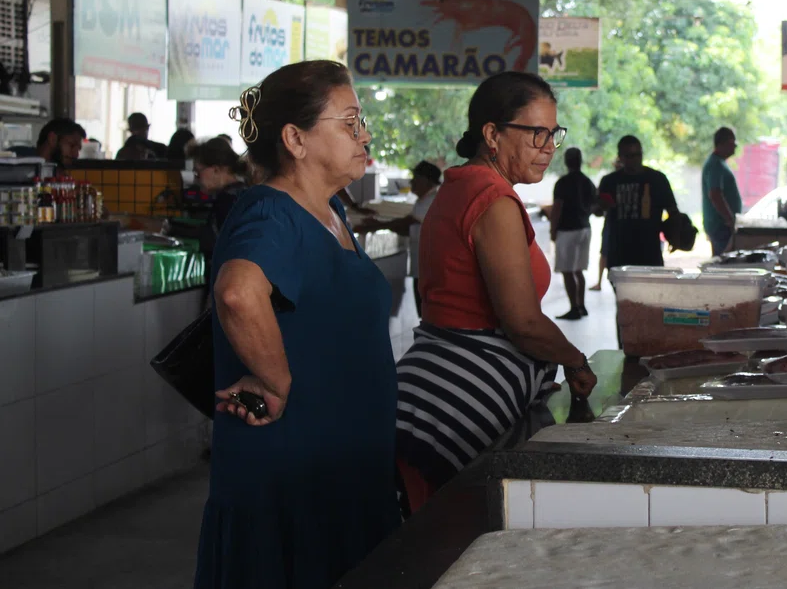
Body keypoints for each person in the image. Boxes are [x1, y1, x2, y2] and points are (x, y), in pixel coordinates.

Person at [194, 60, 399, 589]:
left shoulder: (330, 211)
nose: (364, 135)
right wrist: (275, 383)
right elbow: (238, 293)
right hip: (291, 472)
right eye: (349, 122)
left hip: (341, 466)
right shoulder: (272, 213)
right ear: (295, 139)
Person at [395, 72, 597, 513]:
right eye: (536, 133)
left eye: (554, 133)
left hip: (432, 386)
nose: (548, 146)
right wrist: (574, 360)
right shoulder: (492, 199)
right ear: (492, 134)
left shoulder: (461, 185)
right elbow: (522, 322)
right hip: (456, 401)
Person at [362, 161, 441, 317]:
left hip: (430, 268)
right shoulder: (423, 200)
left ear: (426, 180)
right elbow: (407, 229)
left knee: (429, 313)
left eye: (415, 178)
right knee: (423, 312)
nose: (411, 182)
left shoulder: (432, 199)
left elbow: (407, 222)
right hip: (421, 266)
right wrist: (380, 225)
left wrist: (375, 225)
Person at [597, 135, 679, 268]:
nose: (634, 160)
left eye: (637, 155)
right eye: (629, 156)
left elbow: (673, 211)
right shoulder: (609, 181)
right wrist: (601, 206)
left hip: (649, 253)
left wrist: (674, 236)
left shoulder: (657, 179)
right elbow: (598, 211)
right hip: (619, 254)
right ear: (620, 157)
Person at [190, 137, 250, 287]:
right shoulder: (244, 193)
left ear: (216, 169)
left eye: (198, 173)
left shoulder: (226, 201)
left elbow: (221, 246)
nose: (196, 179)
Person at [551, 147, 596, 320]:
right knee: (578, 270)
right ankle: (581, 306)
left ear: (566, 161)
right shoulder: (587, 182)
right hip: (585, 228)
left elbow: (557, 209)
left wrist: (552, 230)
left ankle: (574, 308)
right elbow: (595, 205)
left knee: (567, 270)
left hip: (567, 231)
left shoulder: (562, 183)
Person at [702, 127, 742, 257]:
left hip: (722, 225)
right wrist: (730, 219)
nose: (735, 147)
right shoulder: (715, 164)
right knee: (723, 262)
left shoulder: (719, 163)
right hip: (721, 226)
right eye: (732, 143)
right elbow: (715, 194)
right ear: (723, 143)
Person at [589, 157, 622, 291]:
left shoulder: (609, 181)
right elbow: (599, 206)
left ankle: (600, 282)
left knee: (605, 253)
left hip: (613, 223)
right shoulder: (609, 181)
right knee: (604, 252)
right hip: (611, 223)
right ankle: (600, 282)